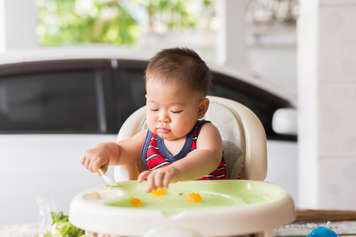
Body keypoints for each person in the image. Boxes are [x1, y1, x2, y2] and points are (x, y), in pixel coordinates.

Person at [81, 48, 227, 193]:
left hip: (208, 209)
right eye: (154, 108)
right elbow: (120, 151)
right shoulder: (149, 138)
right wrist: (104, 151)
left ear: (200, 109)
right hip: (163, 211)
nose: (162, 118)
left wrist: (175, 171)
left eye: (175, 110)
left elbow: (208, 157)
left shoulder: (204, 133)